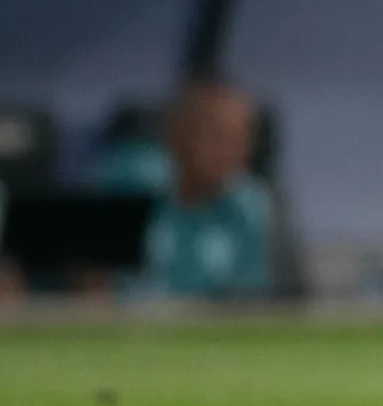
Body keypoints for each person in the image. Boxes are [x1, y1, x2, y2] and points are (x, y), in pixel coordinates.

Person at [93, 78, 277, 298]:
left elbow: (247, 297)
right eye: (217, 135)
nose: (229, 150)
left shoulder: (249, 205)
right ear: (177, 134)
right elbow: (89, 282)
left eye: (241, 139)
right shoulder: (132, 177)